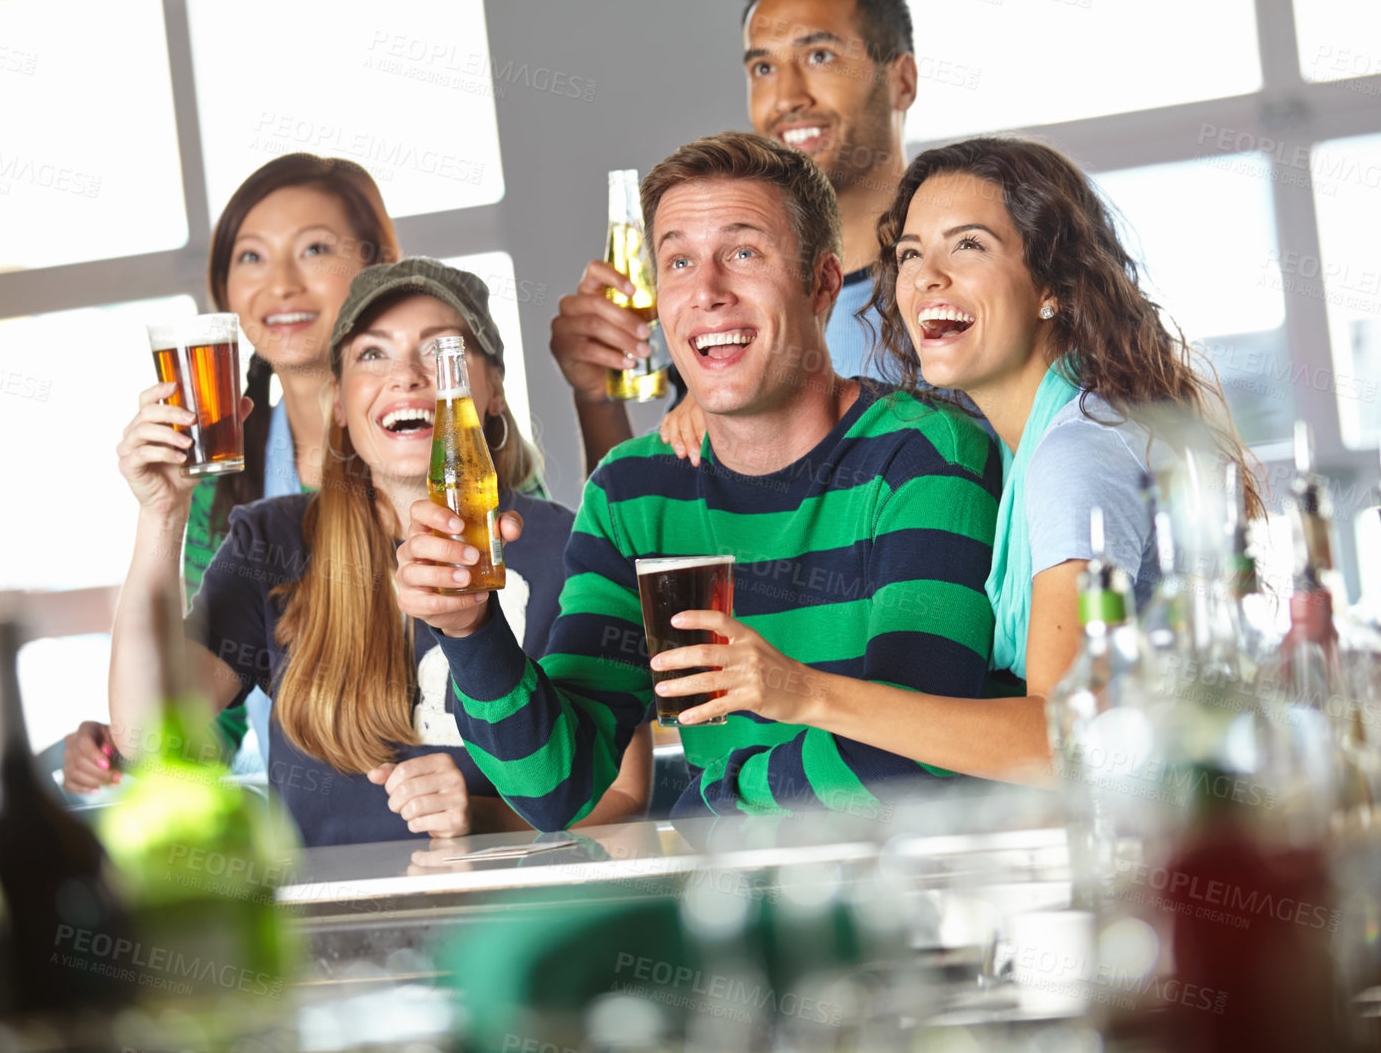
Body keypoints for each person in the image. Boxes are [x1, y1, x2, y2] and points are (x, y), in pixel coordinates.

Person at [398, 133, 1000, 829]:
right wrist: (470, 631)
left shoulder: (922, 454)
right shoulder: (633, 492)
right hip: (733, 906)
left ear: (822, 284)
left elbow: (915, 758)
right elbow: (561, 788)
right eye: (679, 261)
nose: (707, 292)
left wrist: (713, 802)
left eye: (743, 253)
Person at [652, 137, 1264, 785]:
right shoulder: (1045, 435)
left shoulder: (1072, 457)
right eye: (911, 254)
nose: (926, 278)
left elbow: (1069, 742)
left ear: (1051, 284)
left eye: (968, 246)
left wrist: (801, 692)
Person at [107, 258, 654, 845]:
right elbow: (147, 738)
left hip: (516, 923)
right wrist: (161, 513)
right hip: (333, 929)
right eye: (372, 354)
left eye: (443, 350)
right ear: (339, 402)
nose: (409, 375)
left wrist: (489, 818)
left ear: (494, 390)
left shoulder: (569, 547)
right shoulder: (271, 544)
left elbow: (625, 791)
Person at [63, 154, 401, 794]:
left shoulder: (446, 445)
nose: (279, 284)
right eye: (251, 257)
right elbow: (204, 733)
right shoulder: (219, 487)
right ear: (224, 293)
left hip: (460, 812)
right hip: (311, 823)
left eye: (315, 249)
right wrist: (124, 741)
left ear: (379, 270)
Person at [551, 0, 919, 473]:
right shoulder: (723, 308)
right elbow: (654, 528)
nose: (787, 97)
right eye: (764, 67)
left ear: (902, 80)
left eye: (818, 57)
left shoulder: (955, 284)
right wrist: (597, 396)